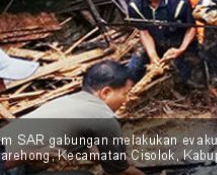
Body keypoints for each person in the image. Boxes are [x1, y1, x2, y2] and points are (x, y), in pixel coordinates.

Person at [0, 61, 143, 175]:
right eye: (125, 93)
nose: (126, 100)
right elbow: (119, 171)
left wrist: (111, 158)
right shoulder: (103, 116)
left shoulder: (70, 101)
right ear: (105, 92)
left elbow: (80, 144)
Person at [127, 0, 196, 82]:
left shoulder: (180, 2)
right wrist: (152, 55)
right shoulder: (135, 6)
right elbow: (144, 32)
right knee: (132, 70)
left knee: (188, 75)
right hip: (155, 43)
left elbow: (191, 27)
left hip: (179, 43)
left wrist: (182, 49)